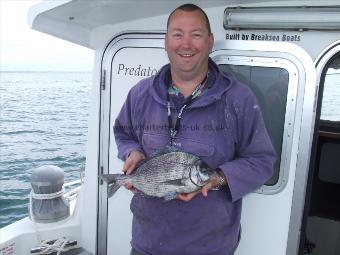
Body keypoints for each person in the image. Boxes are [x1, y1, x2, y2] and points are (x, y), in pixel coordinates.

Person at [114, 3, 276, 255]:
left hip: (211, 247)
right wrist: (132, 152)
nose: (186, 44)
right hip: (147, 243)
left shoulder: (238, 99)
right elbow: (123, 133)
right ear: (166, 41)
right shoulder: (140, 94)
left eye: (196, 34)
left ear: (210, 41)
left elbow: (262, 161)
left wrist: (217, 178)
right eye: (178, 34)